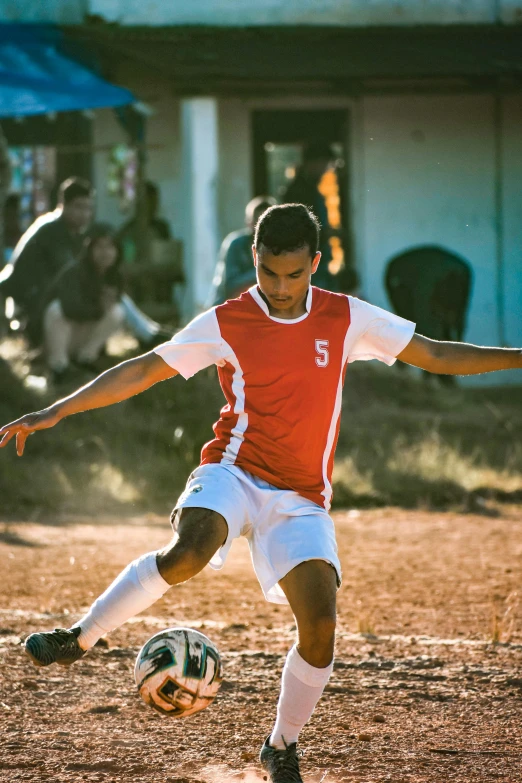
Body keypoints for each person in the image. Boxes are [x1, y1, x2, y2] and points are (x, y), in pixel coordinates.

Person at [1, 204, 521, 783]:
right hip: (233, 470)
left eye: (294, 275)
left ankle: (280, 746)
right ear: (255, 258)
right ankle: (80, 638)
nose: (279, 287)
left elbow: (438, 354)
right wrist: (55, 410)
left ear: (315, 264)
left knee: (321, 625)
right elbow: (144, 368)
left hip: (301, 498)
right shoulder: (229, 320)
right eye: (269, 272)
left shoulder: (345, 316)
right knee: (189, 551)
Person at [0, 177, 167, 349]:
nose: (84, 214)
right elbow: (71, 275)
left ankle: (147, 333)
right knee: (104, 291)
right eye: (79, 207)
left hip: (50, 301)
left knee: (110, 293)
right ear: (63, 204)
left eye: (88, 208)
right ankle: (148, 335)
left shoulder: (71, 232)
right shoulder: (52, 231)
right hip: (32, 310)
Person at [43, 224, 125, 382]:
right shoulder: (74, 272)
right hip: (58, 338)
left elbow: (110, 309)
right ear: (90, 250)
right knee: (56, 310)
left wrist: (102, 309)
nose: (105, 253)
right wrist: (99, 309)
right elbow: (69, 308)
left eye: (110, 247)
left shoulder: (115, 276)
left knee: (117, 312)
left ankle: (86, 359)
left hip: (82, 333)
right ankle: (59, 367)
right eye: (99, 247)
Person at [281, 142, 339, 292]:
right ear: (314, 163)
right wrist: (326, 233)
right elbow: (296, 230)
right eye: (325, 165)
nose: (326, 170)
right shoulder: (297, 192)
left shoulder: (313, 189)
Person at [206, 195, 276, 306]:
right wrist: (263, 272)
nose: (264, 229)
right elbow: (230, 286)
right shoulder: (235, 244)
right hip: (226, 308)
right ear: (249, 222)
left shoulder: (278, 247)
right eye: (258, 222)